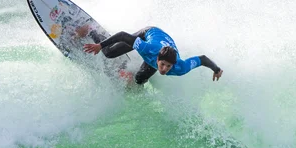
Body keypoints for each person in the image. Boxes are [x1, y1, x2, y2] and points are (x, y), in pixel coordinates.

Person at [83, 26, 223, 85]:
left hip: (164, 44)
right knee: (108, 53)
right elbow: (123, 35)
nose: (164, 69)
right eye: (162, 65)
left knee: (139, 80)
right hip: (149, 33)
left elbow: (203, 59)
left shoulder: (181, 67)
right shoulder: (146, 48)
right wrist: (100, 46)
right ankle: (92, 31)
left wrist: (216, 69)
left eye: (168, 66)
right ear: (158, 59)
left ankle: (127, 70)